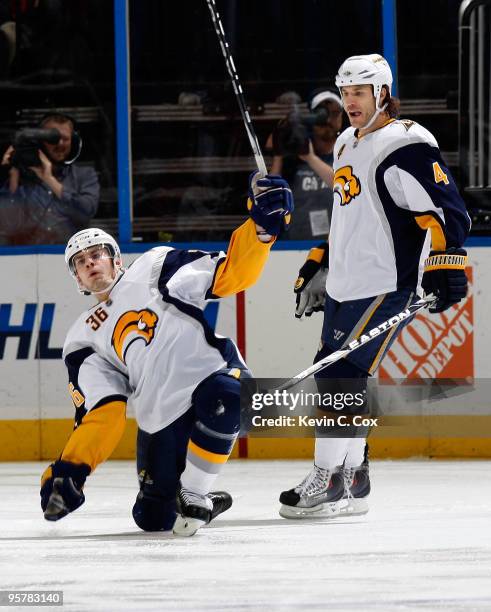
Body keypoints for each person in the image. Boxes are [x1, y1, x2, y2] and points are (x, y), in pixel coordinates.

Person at [40, 172, 293, 536]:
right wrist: (71, 471)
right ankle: (198, 495)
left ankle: (196, 493)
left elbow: (230, 275)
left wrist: (260, 232)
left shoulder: (154, 266)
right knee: (152, 518)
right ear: (77, 280)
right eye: (81, 262)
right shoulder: (82, 338)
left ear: (116, 260)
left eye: (97, 254)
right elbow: (103, 413)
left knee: (228, 397)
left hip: (212, 377)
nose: (91, 263)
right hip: (159, 417)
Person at [279, 53, 470, 519]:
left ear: (382, 93)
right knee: (352, 377)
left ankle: (326, 479)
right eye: (345, 93)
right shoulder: (346, 142)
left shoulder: (405, 143)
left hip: (386, 283)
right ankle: (352, 476)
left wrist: (446, 264)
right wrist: (320, 263)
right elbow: (348, 217)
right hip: (346, 283)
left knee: (334, 376)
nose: (350, 102)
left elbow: (448, 210)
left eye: (359, 93)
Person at [0, 113, 99, 245]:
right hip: (26, 259)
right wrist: (12, 172)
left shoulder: (85, 175)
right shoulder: (23, 177)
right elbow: (9, 224)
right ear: (41, 141)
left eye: (65, 139)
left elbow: (85, 213)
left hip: (73, 257)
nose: (60, 144)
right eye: (53, 139)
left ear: (74, 141)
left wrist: (49, 179)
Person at [268, 89, 343, 239]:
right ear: (311, 117)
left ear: (342, 116)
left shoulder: (349, 152)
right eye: (321, 114)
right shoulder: (294, 154)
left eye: (334, 113)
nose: (327, 120)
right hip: (293, 247)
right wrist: (280, 149)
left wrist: (310, 158)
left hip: (336, 248)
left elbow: (347, 187)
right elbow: (270, 197)